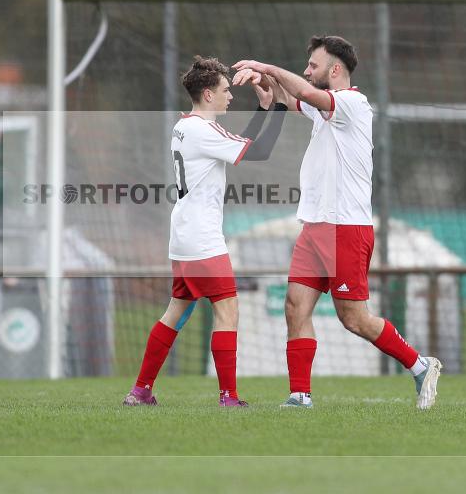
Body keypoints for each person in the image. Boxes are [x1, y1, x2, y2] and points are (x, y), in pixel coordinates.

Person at [233, 35, 442, 410]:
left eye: (313, 65)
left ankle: (420, 365)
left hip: (347, 229)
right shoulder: (325, 107)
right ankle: (300, 395)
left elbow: (308, 95)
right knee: (295, 306)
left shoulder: (352, 103)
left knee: (355, 319)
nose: (306, 70)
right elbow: (291, 97)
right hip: (314, 226)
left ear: (334, 70)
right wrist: (267, 91)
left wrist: (265, 66)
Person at [123, 56, 287, 407]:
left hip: (183, 238)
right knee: (227, 311)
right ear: (209, 94)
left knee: (175, 312)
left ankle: (141, 391)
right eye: (226, 90)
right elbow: (259, 151)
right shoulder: (203, 130)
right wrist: (281, 106)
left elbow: (237, 145)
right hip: (202, 239)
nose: (231, 96)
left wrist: (263, 109)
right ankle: (229, 397)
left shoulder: (185, 126)